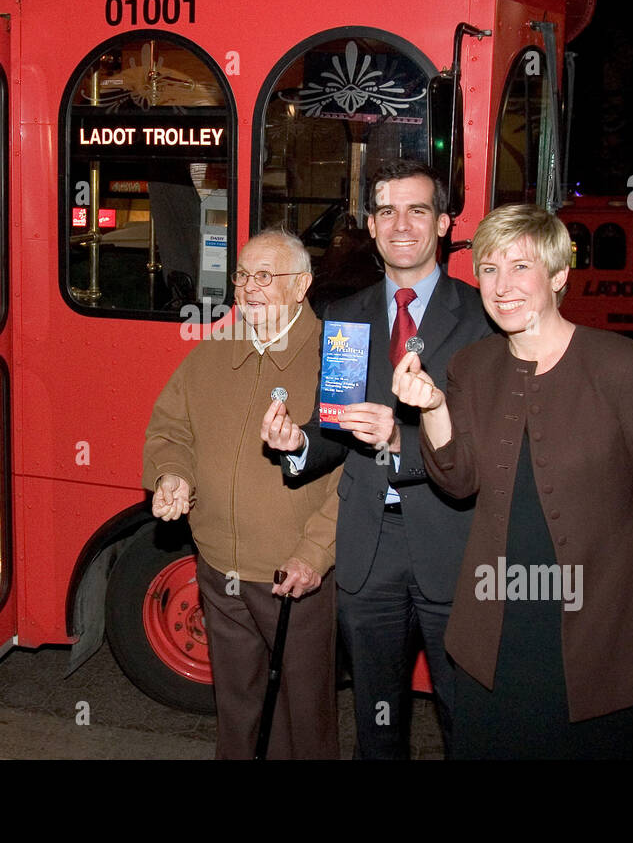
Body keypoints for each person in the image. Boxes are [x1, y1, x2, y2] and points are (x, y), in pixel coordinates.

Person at [393, 203, 633, 757]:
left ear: (558, 277)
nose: (501, 285)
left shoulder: (623, 366)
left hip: (594, 631)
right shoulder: (471, 366)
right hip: (494, 630)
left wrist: (612, 560)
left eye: (520, 267)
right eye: (488, 268)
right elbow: (459, 482)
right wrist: (435, 408)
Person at [261, 159, 494, 759]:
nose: (401, 224)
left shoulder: (482, 319)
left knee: (466, 717)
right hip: (369, 549)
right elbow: (337, 425)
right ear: (370, 224)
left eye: (418, 210)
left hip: (454, 540)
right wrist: (300, 445)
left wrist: (401, 443)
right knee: (376, 723)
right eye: (386, 211)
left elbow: (493, 440)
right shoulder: (345, 314)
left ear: (443, 223)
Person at [143, 228, 340, 759]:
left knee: (305, 718)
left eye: (265, 276)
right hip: (217, 566)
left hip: (292, 575)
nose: (249, 288)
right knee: (237, 707)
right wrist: (171, 475)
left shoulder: (335, 355)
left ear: (301, 285)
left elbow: (357, 471)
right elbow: (170, 429)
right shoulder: (214, 351)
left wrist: (315, 553)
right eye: (242, 275)